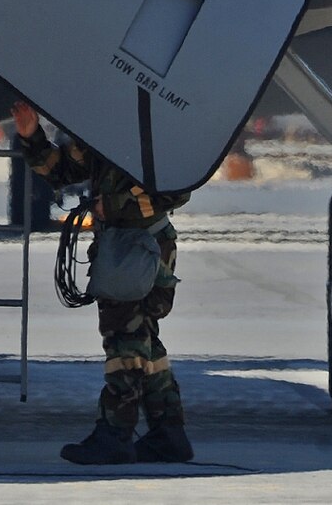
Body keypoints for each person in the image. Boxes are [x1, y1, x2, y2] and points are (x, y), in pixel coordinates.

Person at [12, 100, 195, 466]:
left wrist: (112, 206)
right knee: (142, 338)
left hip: (139, 248)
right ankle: (167, 432)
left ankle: (115, 433)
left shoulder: (152, 131)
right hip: (127, 247)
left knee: (124, 341)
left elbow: (176, 190)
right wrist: (32, 136)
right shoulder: (103, 130)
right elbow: (62, 170)